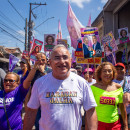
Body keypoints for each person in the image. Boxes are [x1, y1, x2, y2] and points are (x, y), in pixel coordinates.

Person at [23, 44, 97, 130]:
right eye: (57, 58)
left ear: (71, 60)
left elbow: (91, 110)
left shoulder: (82, 83)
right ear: (50, 62)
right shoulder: (39, 83)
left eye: (65, 57)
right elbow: (31, 111)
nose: (62, 61)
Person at [91, 62, 128, 130]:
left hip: (115, 125)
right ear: (100, 74)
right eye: (104, 71)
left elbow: (122, 108)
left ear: (113, 73)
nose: (107, 73)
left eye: (109, 71)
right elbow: (89, 110)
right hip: (98, 124)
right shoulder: (93, 88)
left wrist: (126, 126)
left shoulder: (118, 87)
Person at [113, 62, 130, 129]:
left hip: (128, 112)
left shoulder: (128, 79)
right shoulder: (110, 81)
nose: (119, 71)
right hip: (115, 114)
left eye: (121, 69)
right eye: (117, 69)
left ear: (125, 70)